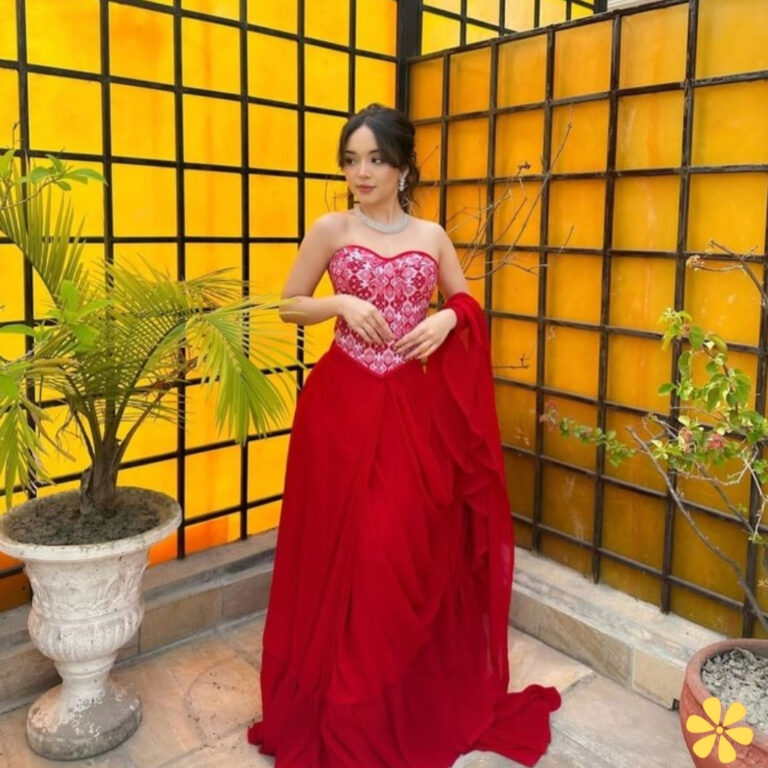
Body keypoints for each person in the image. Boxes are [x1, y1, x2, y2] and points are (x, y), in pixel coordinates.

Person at [247, 103, 561, 768]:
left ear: (403, 166)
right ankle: (344, 705)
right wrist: (340, 303)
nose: (361, 172)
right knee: (347, 552)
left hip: (414, 414)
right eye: (351, 159)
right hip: (340, 411)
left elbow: (466, 302)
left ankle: (400, 695)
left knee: (400, 548)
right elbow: (287, 304)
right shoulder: (330, 228)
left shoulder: (432, 235)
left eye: (375, 160)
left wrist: (448, 322)